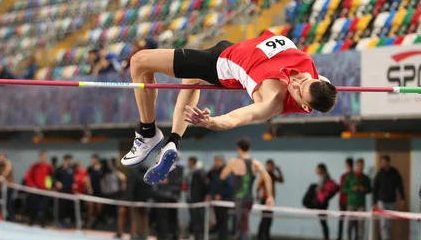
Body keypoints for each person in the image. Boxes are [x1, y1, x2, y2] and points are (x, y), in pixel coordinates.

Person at [120, 30, 338, 185]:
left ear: (302, 105)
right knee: (190, 81)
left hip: (218, 64)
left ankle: (147, 133)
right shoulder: (315, 79)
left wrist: (211, 121)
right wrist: (309, 82)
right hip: (232, 47)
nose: (297, 82)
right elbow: (325, 93)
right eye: (304, 80)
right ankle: (172, 141)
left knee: (139, 61)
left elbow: (239, 117)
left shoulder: (271, 100)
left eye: (299, 90)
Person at [221, 138, 272, 240]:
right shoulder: (255, 163)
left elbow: (222, 175)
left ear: (238, 149)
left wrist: (232, 170)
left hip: (239, 199)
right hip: (249, 199)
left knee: (244, 228)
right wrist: (270, 196)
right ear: (248, 148)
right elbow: (267, 177)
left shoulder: (234, 162)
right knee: (241, 226)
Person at [373, 155, 405, 240]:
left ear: (388, 162)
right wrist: (374, 203)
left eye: (384, 162)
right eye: (381, 162)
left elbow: (400, 185)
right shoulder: (379, 174)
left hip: (392, 200)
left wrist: (403, 198)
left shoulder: (395, 173)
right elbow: (375, 188)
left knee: (389, 223)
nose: (382, 164)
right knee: (383, 223)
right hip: (382, 201)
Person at [343, 159, 371, 240]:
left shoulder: (365, 178)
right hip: (351, 202)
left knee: (361, 223)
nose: (360, 167)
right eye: (359, 165)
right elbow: (343, 189)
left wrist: (365, 189)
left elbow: (370, 189)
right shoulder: (350, 177)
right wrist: (352, 189)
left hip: (361, 203)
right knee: (350, 222)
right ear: (356, 165)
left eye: (362, 165)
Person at [153, 162, 183, 240]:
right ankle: (165, 235)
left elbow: (176, 183)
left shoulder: (178, 169)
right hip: (164, 196)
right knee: (164, 218)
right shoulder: (161, 167)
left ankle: (169, 236)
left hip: (169, 196)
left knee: (169, 218)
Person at [256, 159, 283, 240]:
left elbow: (281, 180)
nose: (271, 167)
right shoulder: (264, 174)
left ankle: (267, 237)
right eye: (270, 166)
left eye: (272, 166)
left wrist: (279, 171)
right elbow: (258, 186)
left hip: (271, 200)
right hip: (264, 199)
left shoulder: (272, 175)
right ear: (267, 166)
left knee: (269, 220)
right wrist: (258, 195)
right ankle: (260, 238)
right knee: (264, 219)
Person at [24, 150, 53, 227]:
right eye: (42, 157)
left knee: (44, 207)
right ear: (39, 158)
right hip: (35, 190)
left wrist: (49, 187)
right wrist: (33, 185)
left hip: (44, 191)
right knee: (33, 206)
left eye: (45, 157)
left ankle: (42, 223)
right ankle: (32, 221)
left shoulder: (49, 167)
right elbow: (28, 177)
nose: (43, 159)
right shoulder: (34, 166)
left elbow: (49, 178)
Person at [208, 156, 233, 240]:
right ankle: (220, 239)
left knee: (224, 220)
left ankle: (224, 239)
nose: (216, 163)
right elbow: (213, 185)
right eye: (215, 161)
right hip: (216, 200)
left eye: (218, 161)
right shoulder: (214, 172)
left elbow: (230, 186)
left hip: (225, 200)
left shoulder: (227, 171)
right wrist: (212, 194)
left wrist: (221, 195)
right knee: (219, 220)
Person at [314, 163, 339, 240]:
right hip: (323, 201)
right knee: (323, 221)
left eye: (316, 168)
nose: (315, 170)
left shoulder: (323, 177)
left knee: (323, 222)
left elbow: (319, 188)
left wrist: (316, 189)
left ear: (320, 169)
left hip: (322, 202)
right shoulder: (326, 176)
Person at [101, 158, 127, 238]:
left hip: (118, 195)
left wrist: (123, 187)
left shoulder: (117, 171)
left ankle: (120, 232)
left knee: (120, 214)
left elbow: (123, 178)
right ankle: (117, 230)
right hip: (108, 194)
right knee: (114, 213)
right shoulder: (105, 172)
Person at [186, 157, 210, 240]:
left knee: (198, 220)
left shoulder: (199, 172)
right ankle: (195, 237)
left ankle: (199, 239)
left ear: (192, 163)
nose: (188, 164)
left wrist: (205, 195)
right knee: (193, 220)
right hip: (191, 199)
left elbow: (206, 185)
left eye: (189, 163)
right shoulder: (190, 173)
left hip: (198, 200)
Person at [54, 154, 75, 228]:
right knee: (61, 208)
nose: (70, 162)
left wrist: (74, 185)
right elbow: (54, 178)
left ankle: (68, 222)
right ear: (65, 160)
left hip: (69, 192)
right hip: (61, 192)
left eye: (71, 160)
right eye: (69, 160)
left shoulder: (71, 169)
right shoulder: (59, 169)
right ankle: (60, 222)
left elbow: (72, 180)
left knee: (69, 208)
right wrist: (57, 182)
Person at [337, 158, 354, 240]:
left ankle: (351, 239)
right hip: (343, 200)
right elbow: (341, 189)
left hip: (350, 201)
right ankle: (339, 238)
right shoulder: (343, 176)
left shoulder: (353, 176)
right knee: (341, 219)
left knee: (352, 220)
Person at [87, 154, 104, 228]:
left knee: (99, 208)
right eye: (92, 159)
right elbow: (87, 179)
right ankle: (89, 222)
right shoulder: (90, 168)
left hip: (100, 190)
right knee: (90, 207)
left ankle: (96, 220)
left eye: (94, 159)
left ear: (97, 160)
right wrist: (89, 188)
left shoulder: (102, 168)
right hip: (92, 190)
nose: (92, 161)